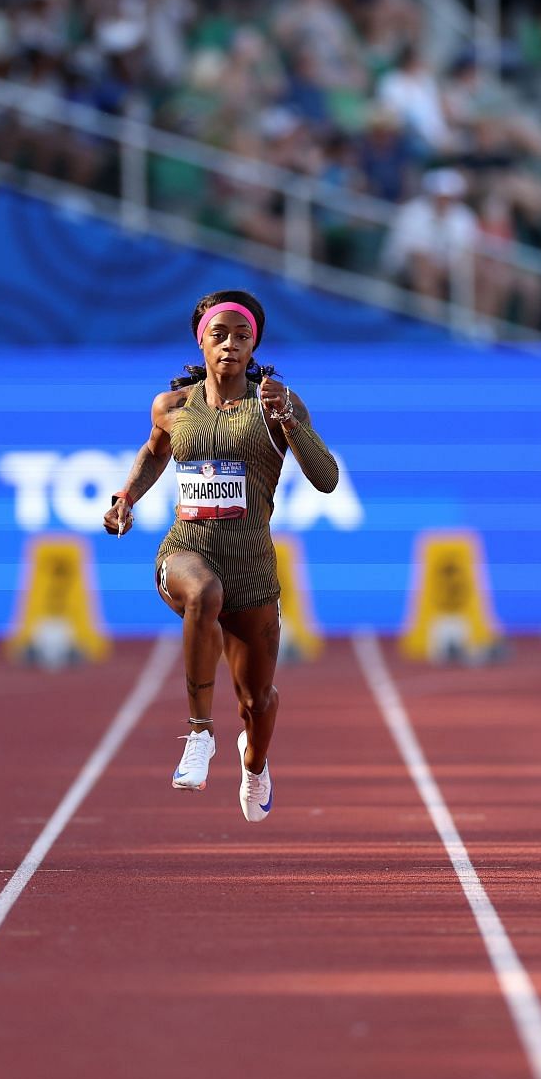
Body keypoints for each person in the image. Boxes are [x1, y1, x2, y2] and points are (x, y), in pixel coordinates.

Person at [102, 290, 339, 822]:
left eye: (242, 336)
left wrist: (291, 425)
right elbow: (152, 453)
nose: (231, 344)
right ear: (201, 341)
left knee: (258, 702)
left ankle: (254, 766)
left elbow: (327, 480)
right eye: (220, 334)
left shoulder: (276, 402)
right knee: (203, 593)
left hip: (252, 569)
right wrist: (125, 498)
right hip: (186, 550)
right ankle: (199, 734)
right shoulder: (173, 406)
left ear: (255, 344)